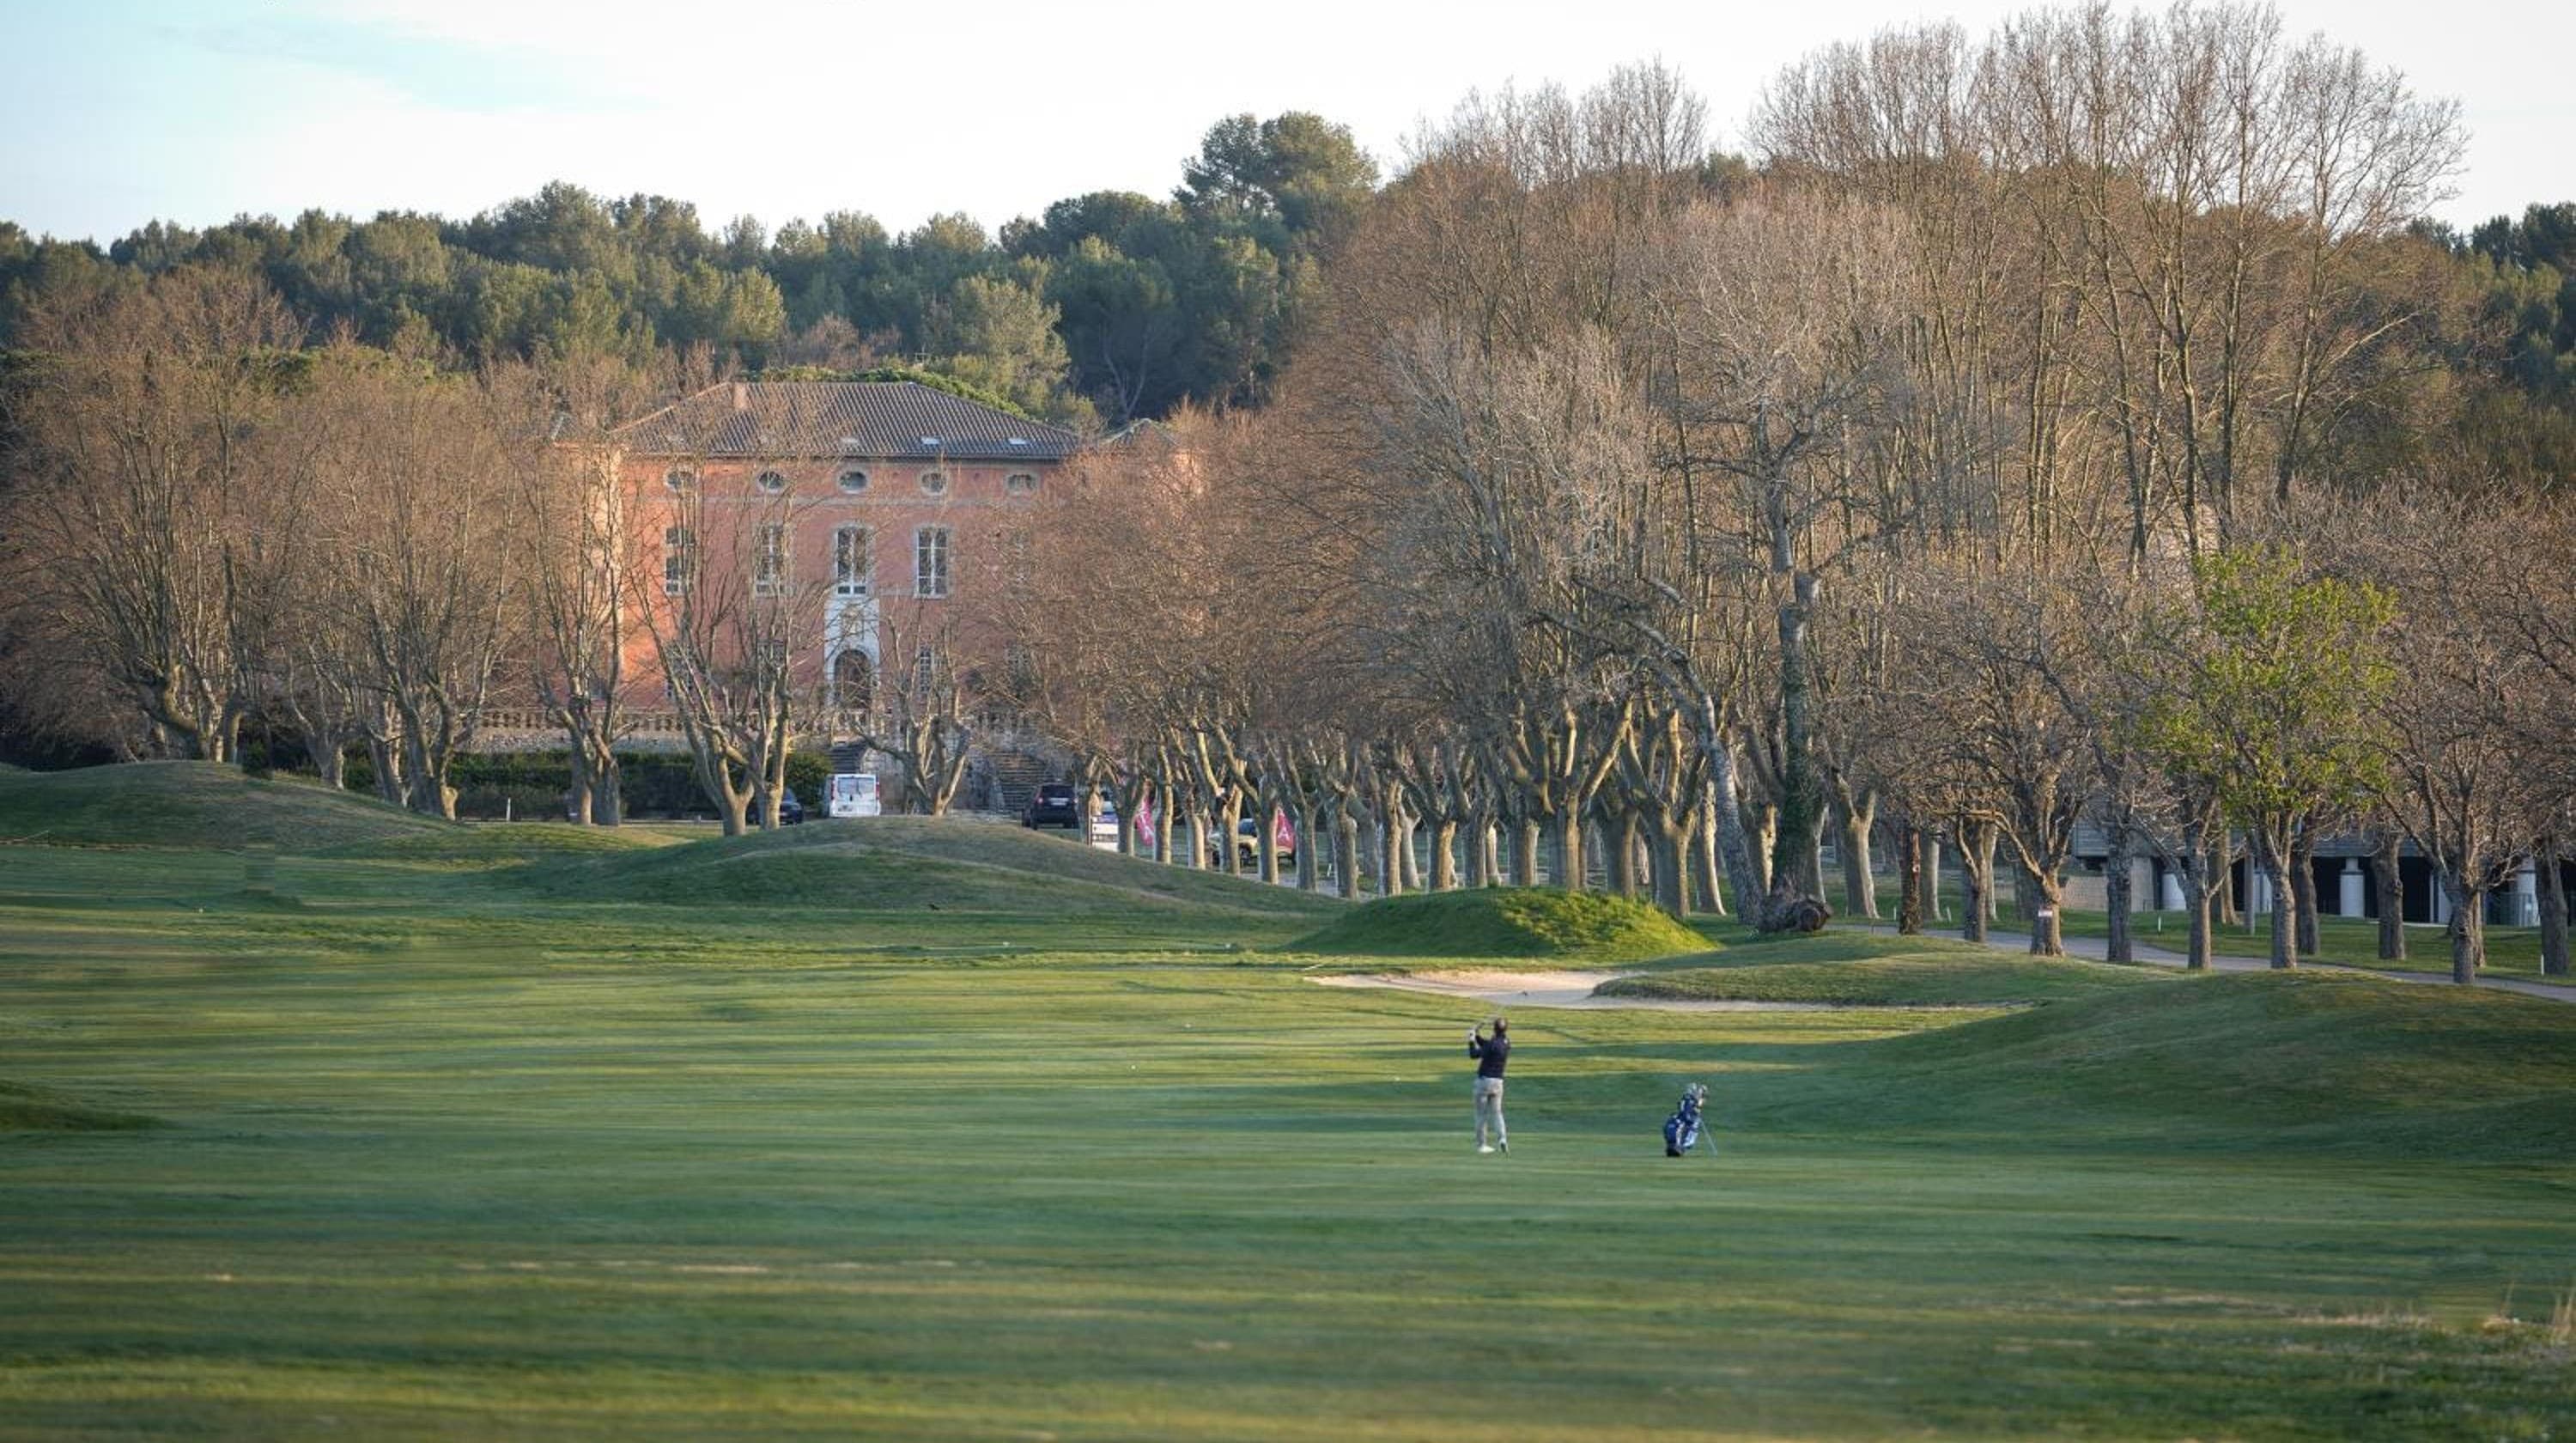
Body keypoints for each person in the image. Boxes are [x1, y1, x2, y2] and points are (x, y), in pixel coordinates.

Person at [1467, 1018, 1510, 1154]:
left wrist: (1471, 1040)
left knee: (1481, 1115)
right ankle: (1502, 1138)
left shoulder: (1492, 1044)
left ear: (1494, 1029)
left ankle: (1482, 1145)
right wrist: (1477, 1035)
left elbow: (1474, 1055)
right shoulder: (1506, 1043)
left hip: (1484, 1083)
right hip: (1498, 1083)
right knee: (1497, 1113)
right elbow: (1487, 1045)